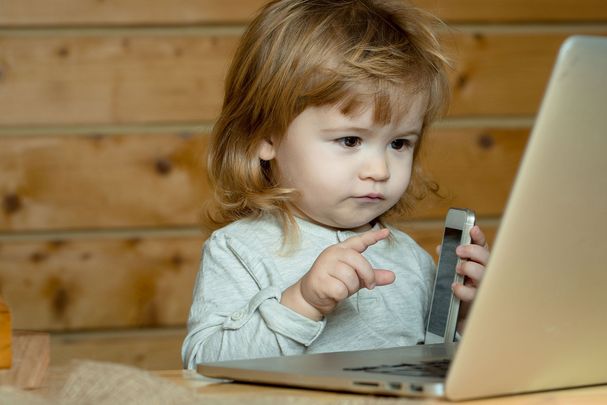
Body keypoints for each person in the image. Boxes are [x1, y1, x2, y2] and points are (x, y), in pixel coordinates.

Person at [182, 0, 490, 369]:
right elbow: (202, 364)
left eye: (398, 143)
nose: (379, 169)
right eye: (350, 141)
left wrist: (466, 316)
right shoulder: (238, 250)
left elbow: (435, 366)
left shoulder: (410, 259)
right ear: (266, 137)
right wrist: (303, 303)